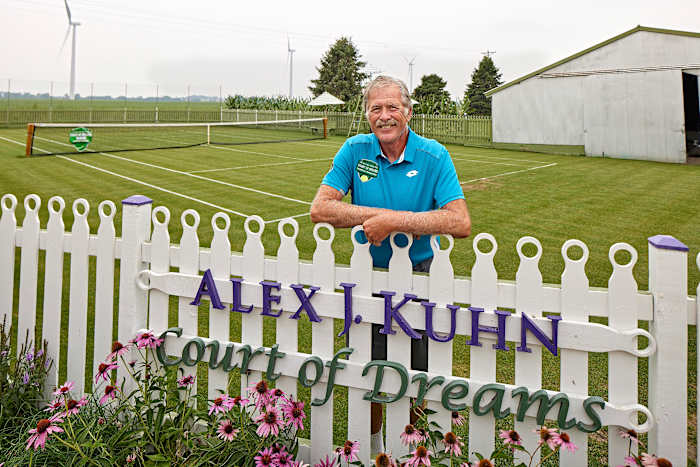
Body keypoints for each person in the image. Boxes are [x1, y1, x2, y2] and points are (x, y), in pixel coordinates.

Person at [309, 75, 471, 454]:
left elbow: (459, 221)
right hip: (367, 281)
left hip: (420, 279)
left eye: (392, 107)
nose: (384, 116)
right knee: (368, 371)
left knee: (417, 373)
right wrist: (385, 215)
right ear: (367, 114)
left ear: (408, 112)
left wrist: (396, 222)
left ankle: (411, 450)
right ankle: (374, 449)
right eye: (375, 108)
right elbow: (321, 208)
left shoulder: (434, 155)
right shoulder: (355, 150)